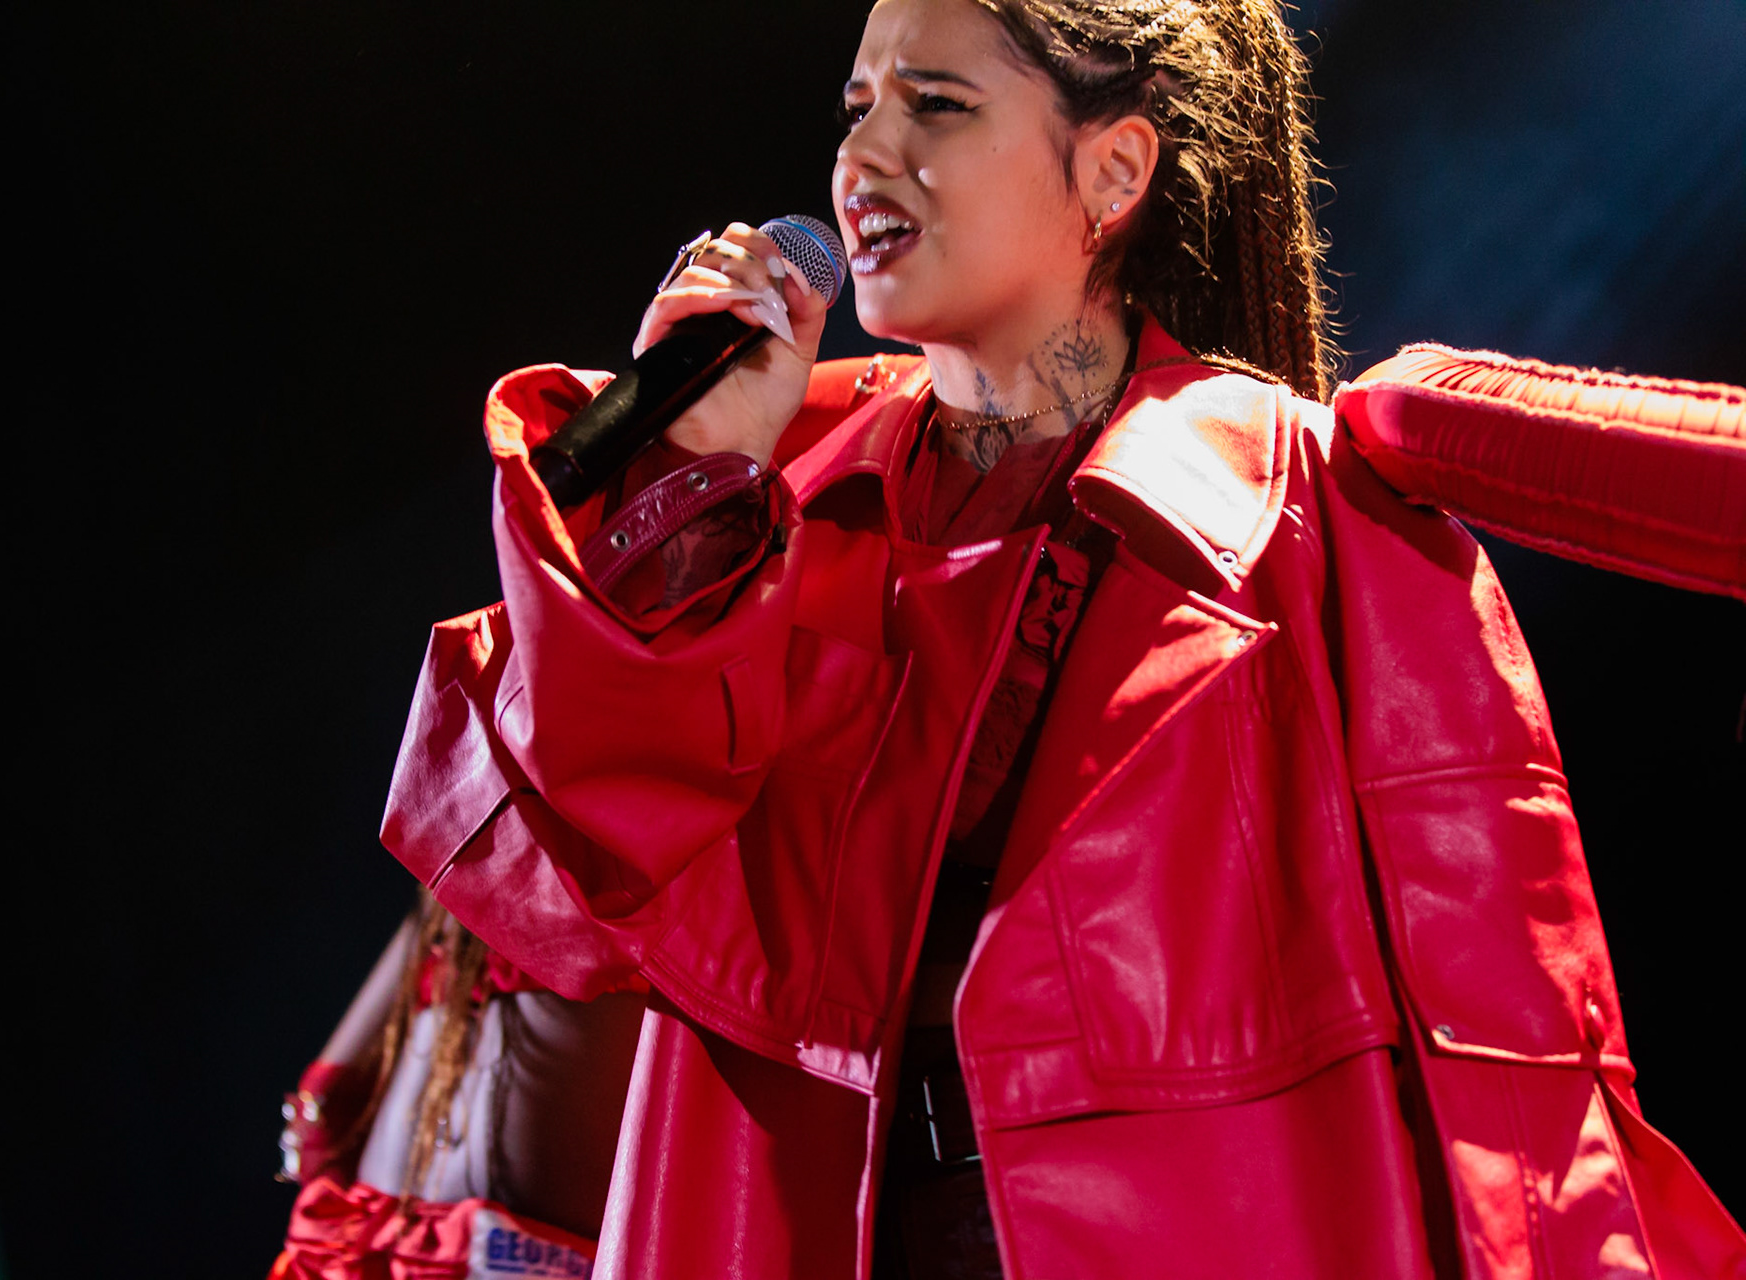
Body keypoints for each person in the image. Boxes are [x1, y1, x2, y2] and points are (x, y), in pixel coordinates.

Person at [378, 0, 1746, 1276]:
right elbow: (571, 867)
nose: (866, 155)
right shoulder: (776, 518)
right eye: (857, 106)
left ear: (1112, 173)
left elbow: (1499, 1047)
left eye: (937, 105)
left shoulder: (1301, 512)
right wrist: (690, 494)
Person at [266, 893, 645, 1280]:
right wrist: (323, 1106)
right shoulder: (468, 863)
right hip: (361, 1243)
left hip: (531, 1255)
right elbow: (426, 918)